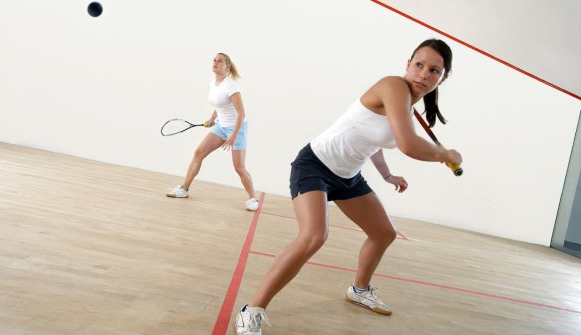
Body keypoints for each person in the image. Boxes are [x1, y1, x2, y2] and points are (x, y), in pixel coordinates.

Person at [234, 39, 463, 334]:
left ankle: (359, 289)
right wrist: (446, 155)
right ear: (408, 64)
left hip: (347, 175)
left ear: (442, 78)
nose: (423, 74)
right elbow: (406, 144)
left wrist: (387, 176)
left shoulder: (406, 105)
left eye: (434, 70)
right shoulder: (393, 85)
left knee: (384, 233)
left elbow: (373, 141)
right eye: (419, 65)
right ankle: (251, 310)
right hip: (314, 165)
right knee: (314, 236)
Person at [167, 53, 259, 211]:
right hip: (221, 126)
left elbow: (241, 113)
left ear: (227, 67)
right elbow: (219, 106)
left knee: (239, 168)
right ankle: (184, 189)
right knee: (198, 153)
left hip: (237, 128)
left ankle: (252, 199)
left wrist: (233, 136)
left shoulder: (231, 86)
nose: (215, 63)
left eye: (220, 61)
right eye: (214, 60)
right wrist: (211, 119)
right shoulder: (213, 84)